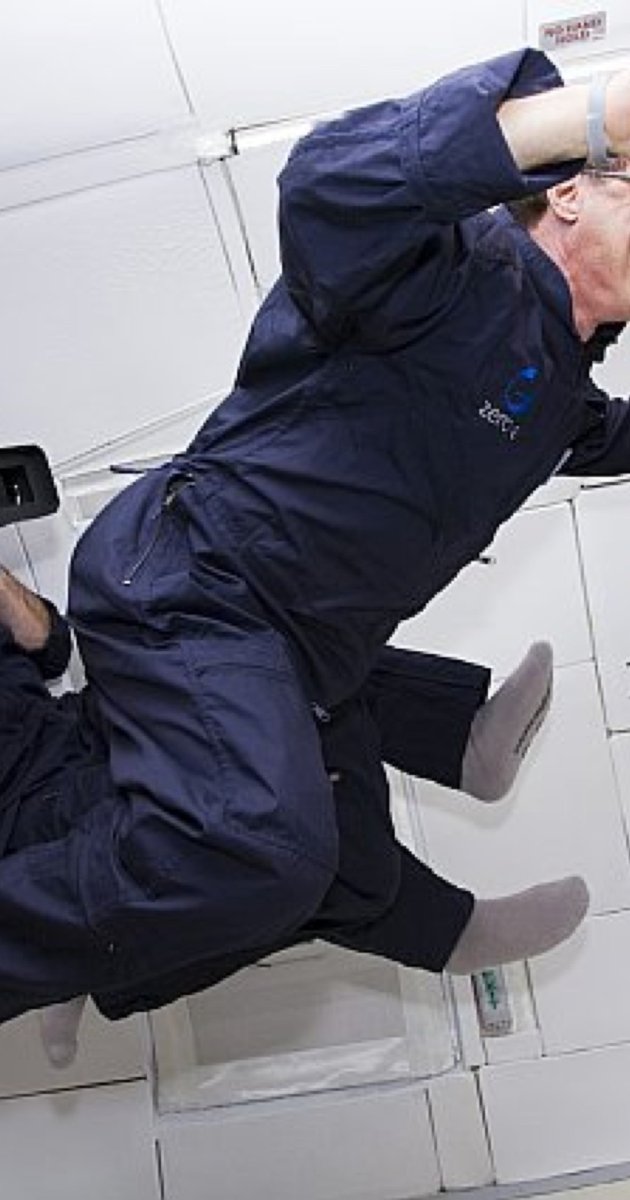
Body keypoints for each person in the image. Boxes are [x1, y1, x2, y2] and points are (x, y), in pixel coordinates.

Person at [3, 42, 630, 1056]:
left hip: (301, 655)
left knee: (330, 859)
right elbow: (329, 186)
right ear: (568, 194)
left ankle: (82, 943)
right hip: (195, 585)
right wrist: (591, 112)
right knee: (260, 842)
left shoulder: (560, 394)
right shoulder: (451, 271)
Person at [1, 563, 559, 1067]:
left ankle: (461, 765)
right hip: (27, 805)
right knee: (255, 826)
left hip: (71, 726)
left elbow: (48, 644)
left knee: (247, 647)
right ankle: (444, 909)